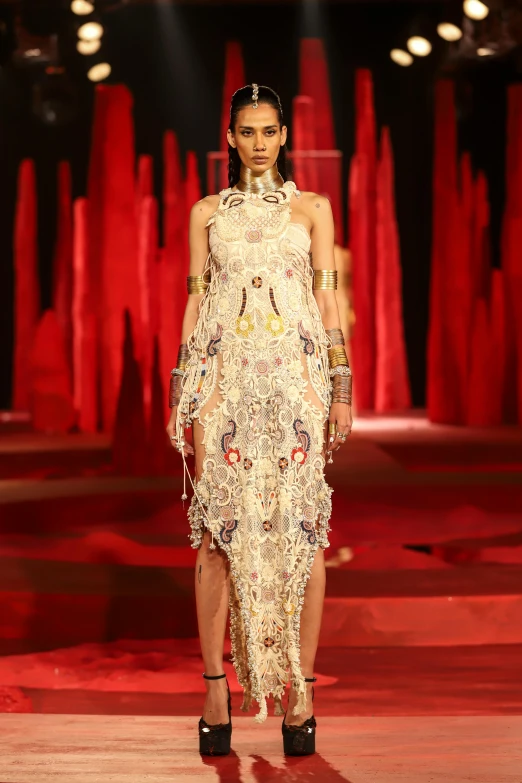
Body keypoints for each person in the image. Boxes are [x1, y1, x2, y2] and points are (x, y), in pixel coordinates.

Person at [166, 84, 353, 757]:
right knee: (217, 533)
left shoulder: (313, 210)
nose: (259, 142)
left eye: (269, 130)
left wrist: (341, 387)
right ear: (231, 137)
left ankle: (300, 689)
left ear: (282, 134)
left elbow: (329, 304)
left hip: (296, 387)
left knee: (305, 534)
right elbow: (194, 304)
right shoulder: (207, 214)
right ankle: (216, 686)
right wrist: (185, 387)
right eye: (247, 131)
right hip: (225, 387)